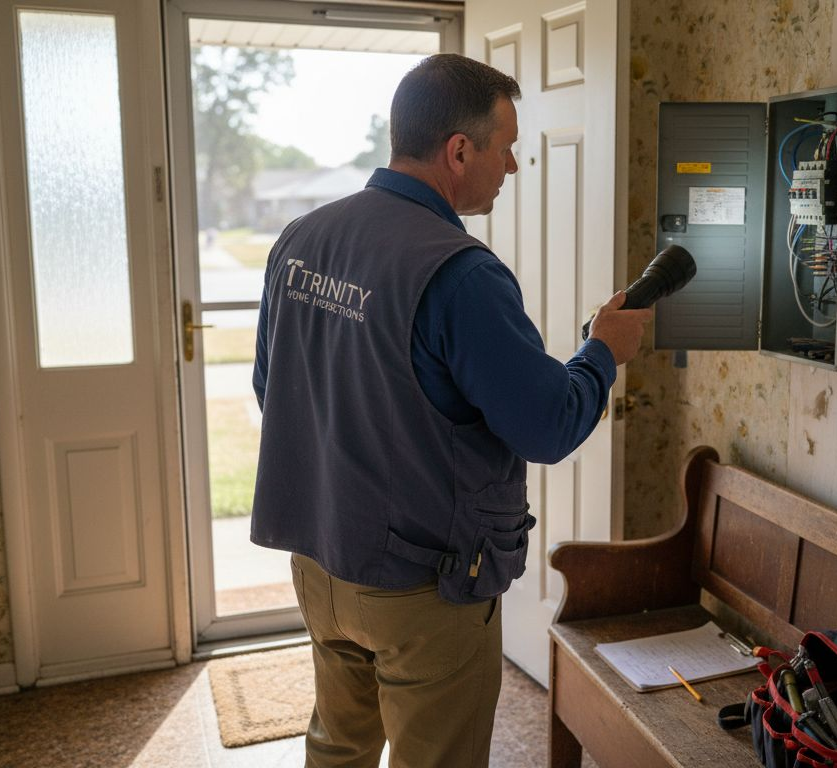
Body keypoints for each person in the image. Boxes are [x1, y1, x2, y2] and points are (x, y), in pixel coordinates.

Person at [250, 53, 651, 768]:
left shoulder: (300, 241)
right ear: (459, 151)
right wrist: (602, 352)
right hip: (422, 588)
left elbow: (270, 387)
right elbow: (547, 424)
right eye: (508, 148)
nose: (515, 167)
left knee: (337, 745)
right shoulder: (460, 275)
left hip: (318, 562)